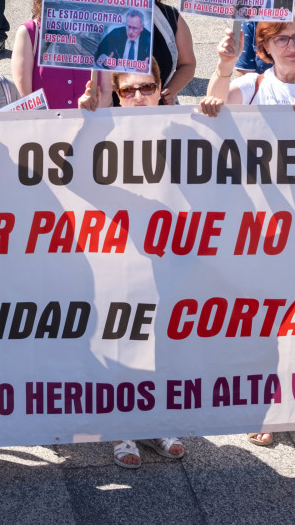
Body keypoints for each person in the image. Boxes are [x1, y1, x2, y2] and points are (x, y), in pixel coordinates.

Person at [76, 58, 193, 468]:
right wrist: (89, 119)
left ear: (162, 87)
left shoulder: (183, 127)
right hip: (116, 253)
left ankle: (155, 421)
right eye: (128, 90)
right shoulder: (103, 126)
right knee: (118, 338)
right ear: (116, 93)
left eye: (147, 87)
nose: (139, 96)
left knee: (160, 340)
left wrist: (216, 105)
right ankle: (119, 428)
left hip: (167, 254)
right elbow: (75, 177)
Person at [97, 0, 195, 103]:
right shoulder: (94, 19)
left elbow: (187, 64)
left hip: (157, 111)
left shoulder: (170, 17)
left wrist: (168, 93)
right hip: (110, 114)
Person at [206, 11, 295, 109]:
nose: (292, 47)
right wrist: (225, 63)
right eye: (282, 39)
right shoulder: (252, 85)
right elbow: (216, 109)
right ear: (266, 45)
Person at [13, 0, 98, 109]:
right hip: (45, 128)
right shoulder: (30, 33)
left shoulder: (98, 34)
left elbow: (105, 92)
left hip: (90, 127)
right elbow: (24, 99)